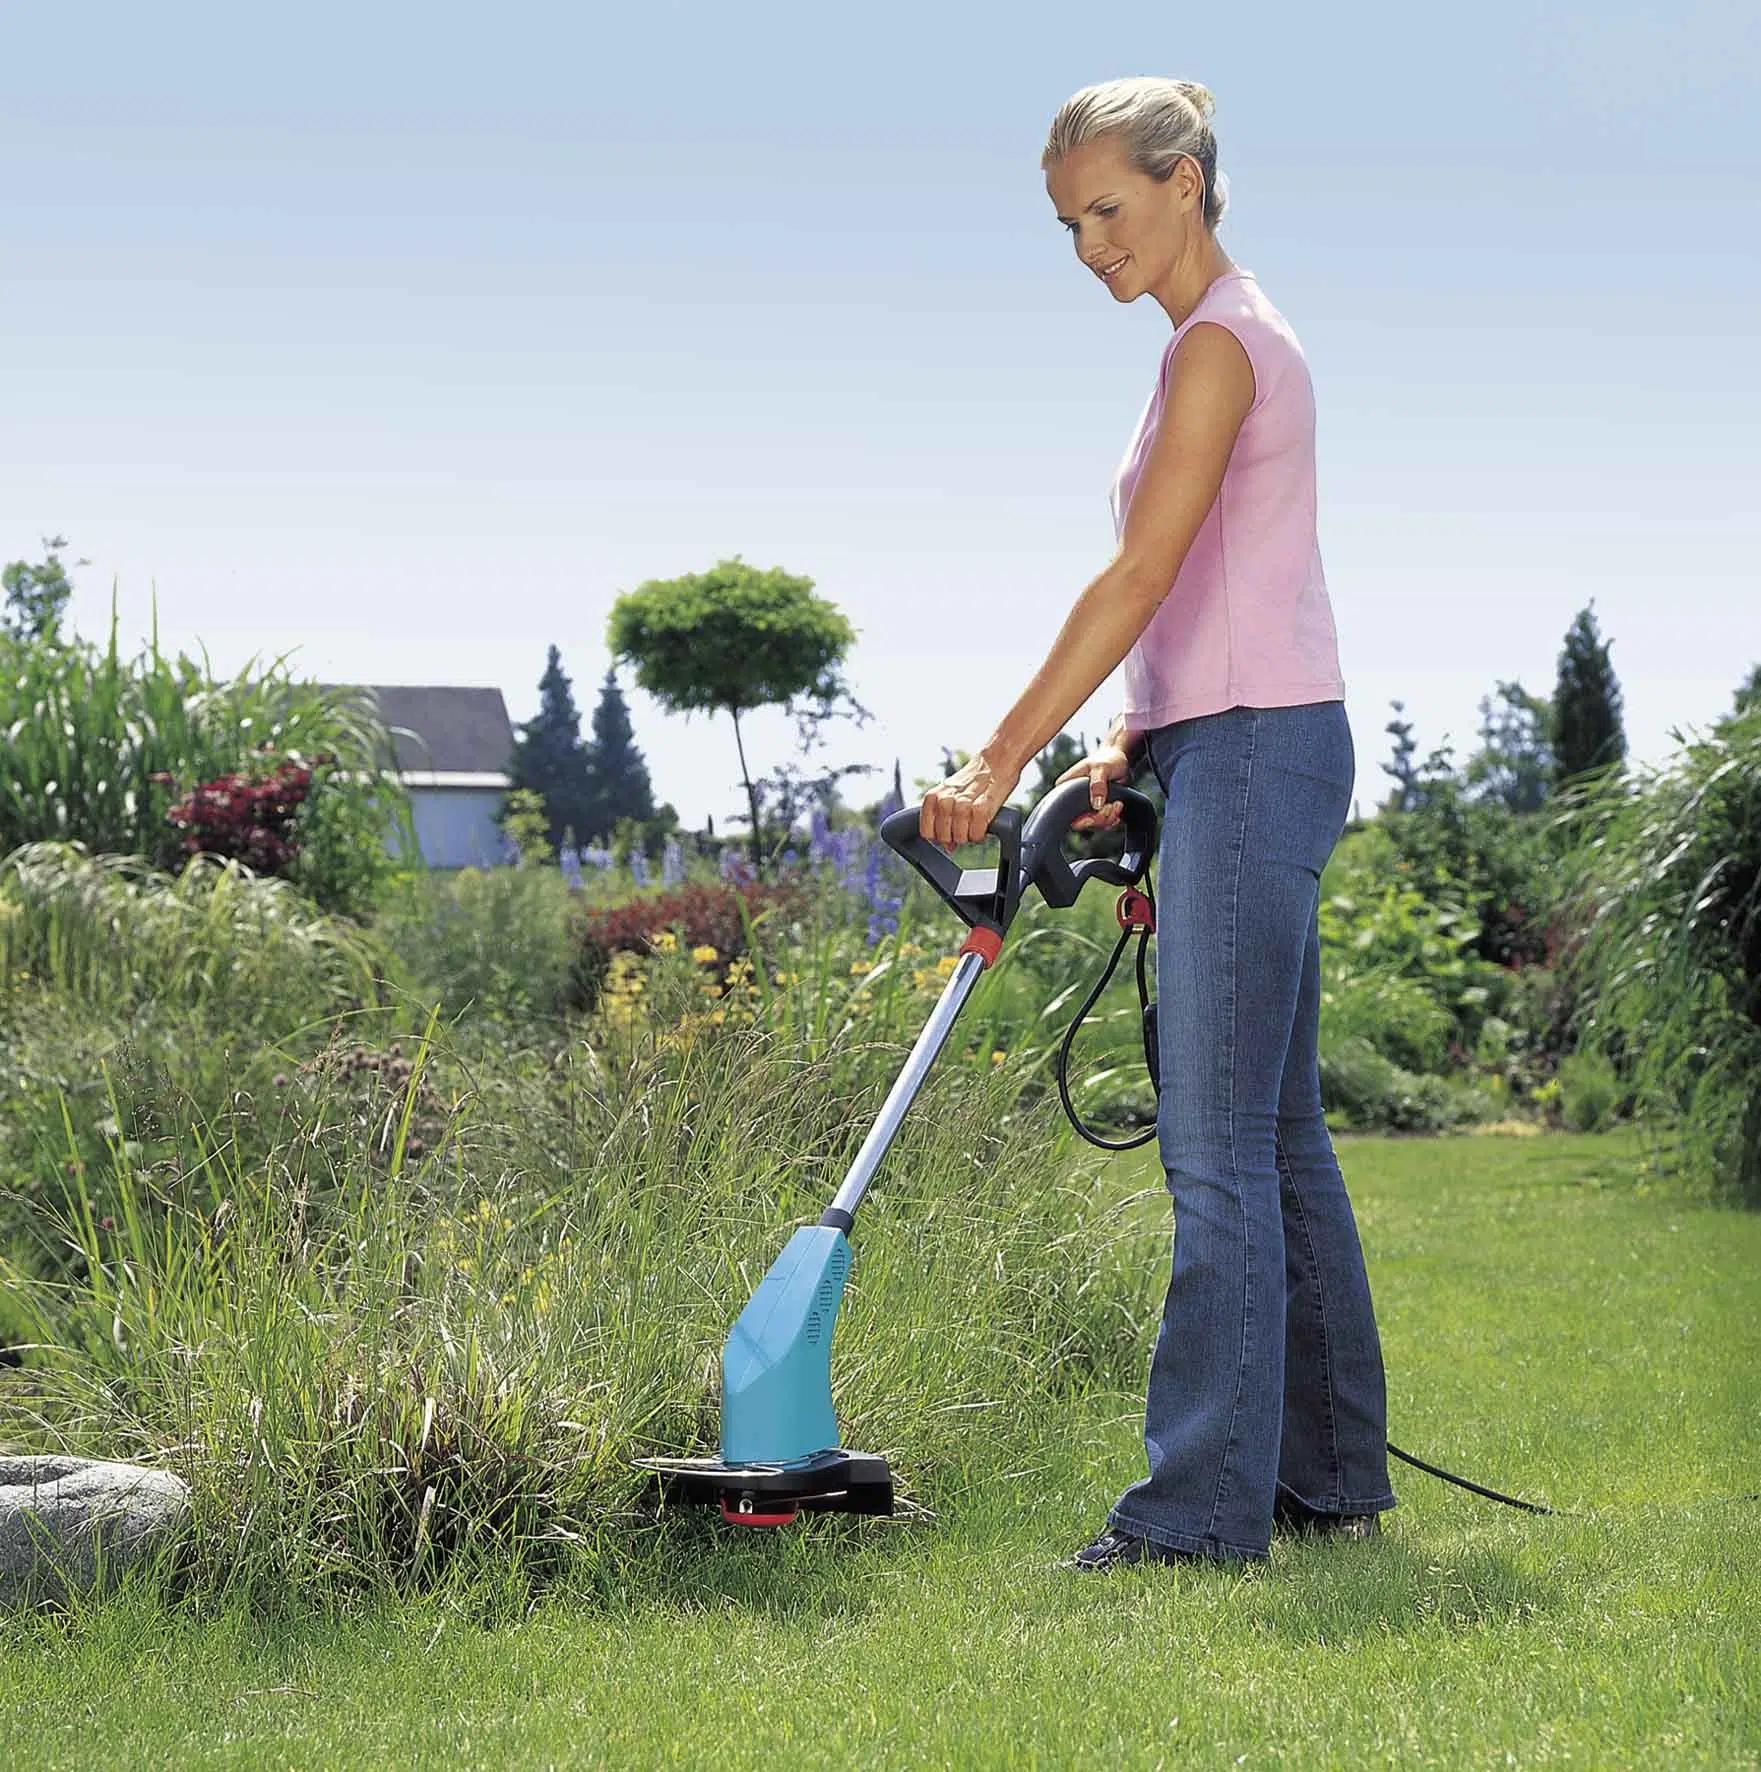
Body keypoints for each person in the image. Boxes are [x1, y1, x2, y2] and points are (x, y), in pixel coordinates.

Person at [918, 76, 1397, 1569]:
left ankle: (1197, 1518)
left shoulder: (1218, 350)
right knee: (1275, 1137)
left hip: (1257, 751)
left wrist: (995, 760)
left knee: (1214, 1149)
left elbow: (1134, 577)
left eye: (1109, 210)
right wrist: (1143, 730)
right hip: (1237, 739)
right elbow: (1201, 590)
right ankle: (1323, 1481)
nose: (1089, 245)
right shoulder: (1218, 342)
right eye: (1069, 223)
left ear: (1186, 182)